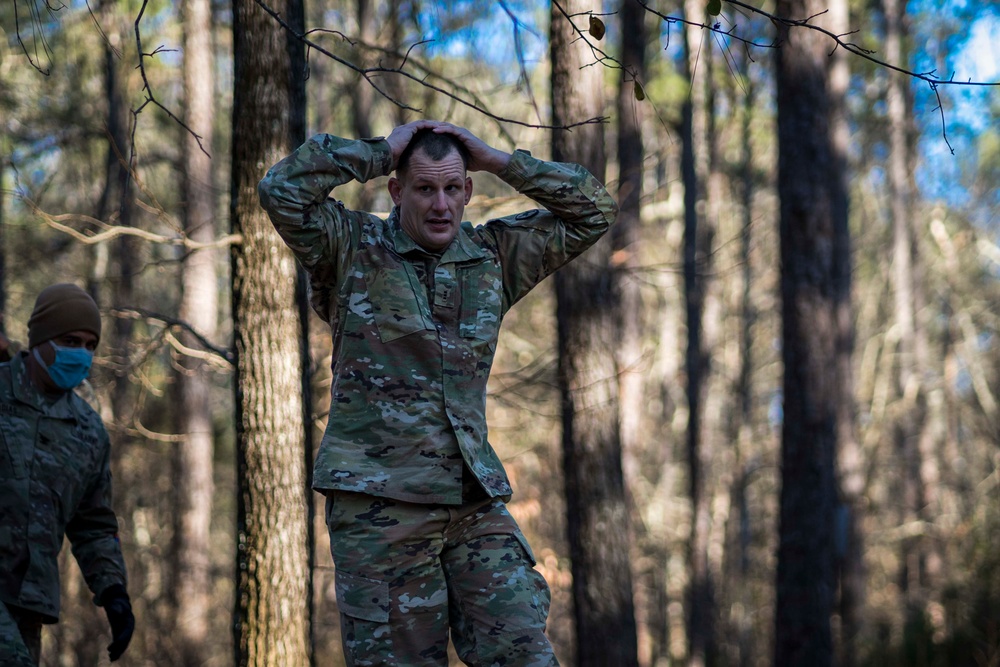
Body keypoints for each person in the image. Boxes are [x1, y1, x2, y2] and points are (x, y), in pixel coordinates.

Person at [259, 120, 617, 665]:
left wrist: (499, 159)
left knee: (525, 652)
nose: (441, 205)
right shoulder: (352, 245)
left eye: (453, 188)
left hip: (473, 505)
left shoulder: (491, 256)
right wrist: (381, 151)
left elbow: (594, 209)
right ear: (398, 191)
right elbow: (280, 189)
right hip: (383, 511)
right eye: (425, 188)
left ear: (468, 191)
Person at [0, 284, 134, 665]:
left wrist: (114, 594)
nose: (81, 354)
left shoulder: (88, 431)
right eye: (70, 340)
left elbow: (93, 523)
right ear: (41, 339)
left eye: (90, 345)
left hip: (29, 603)